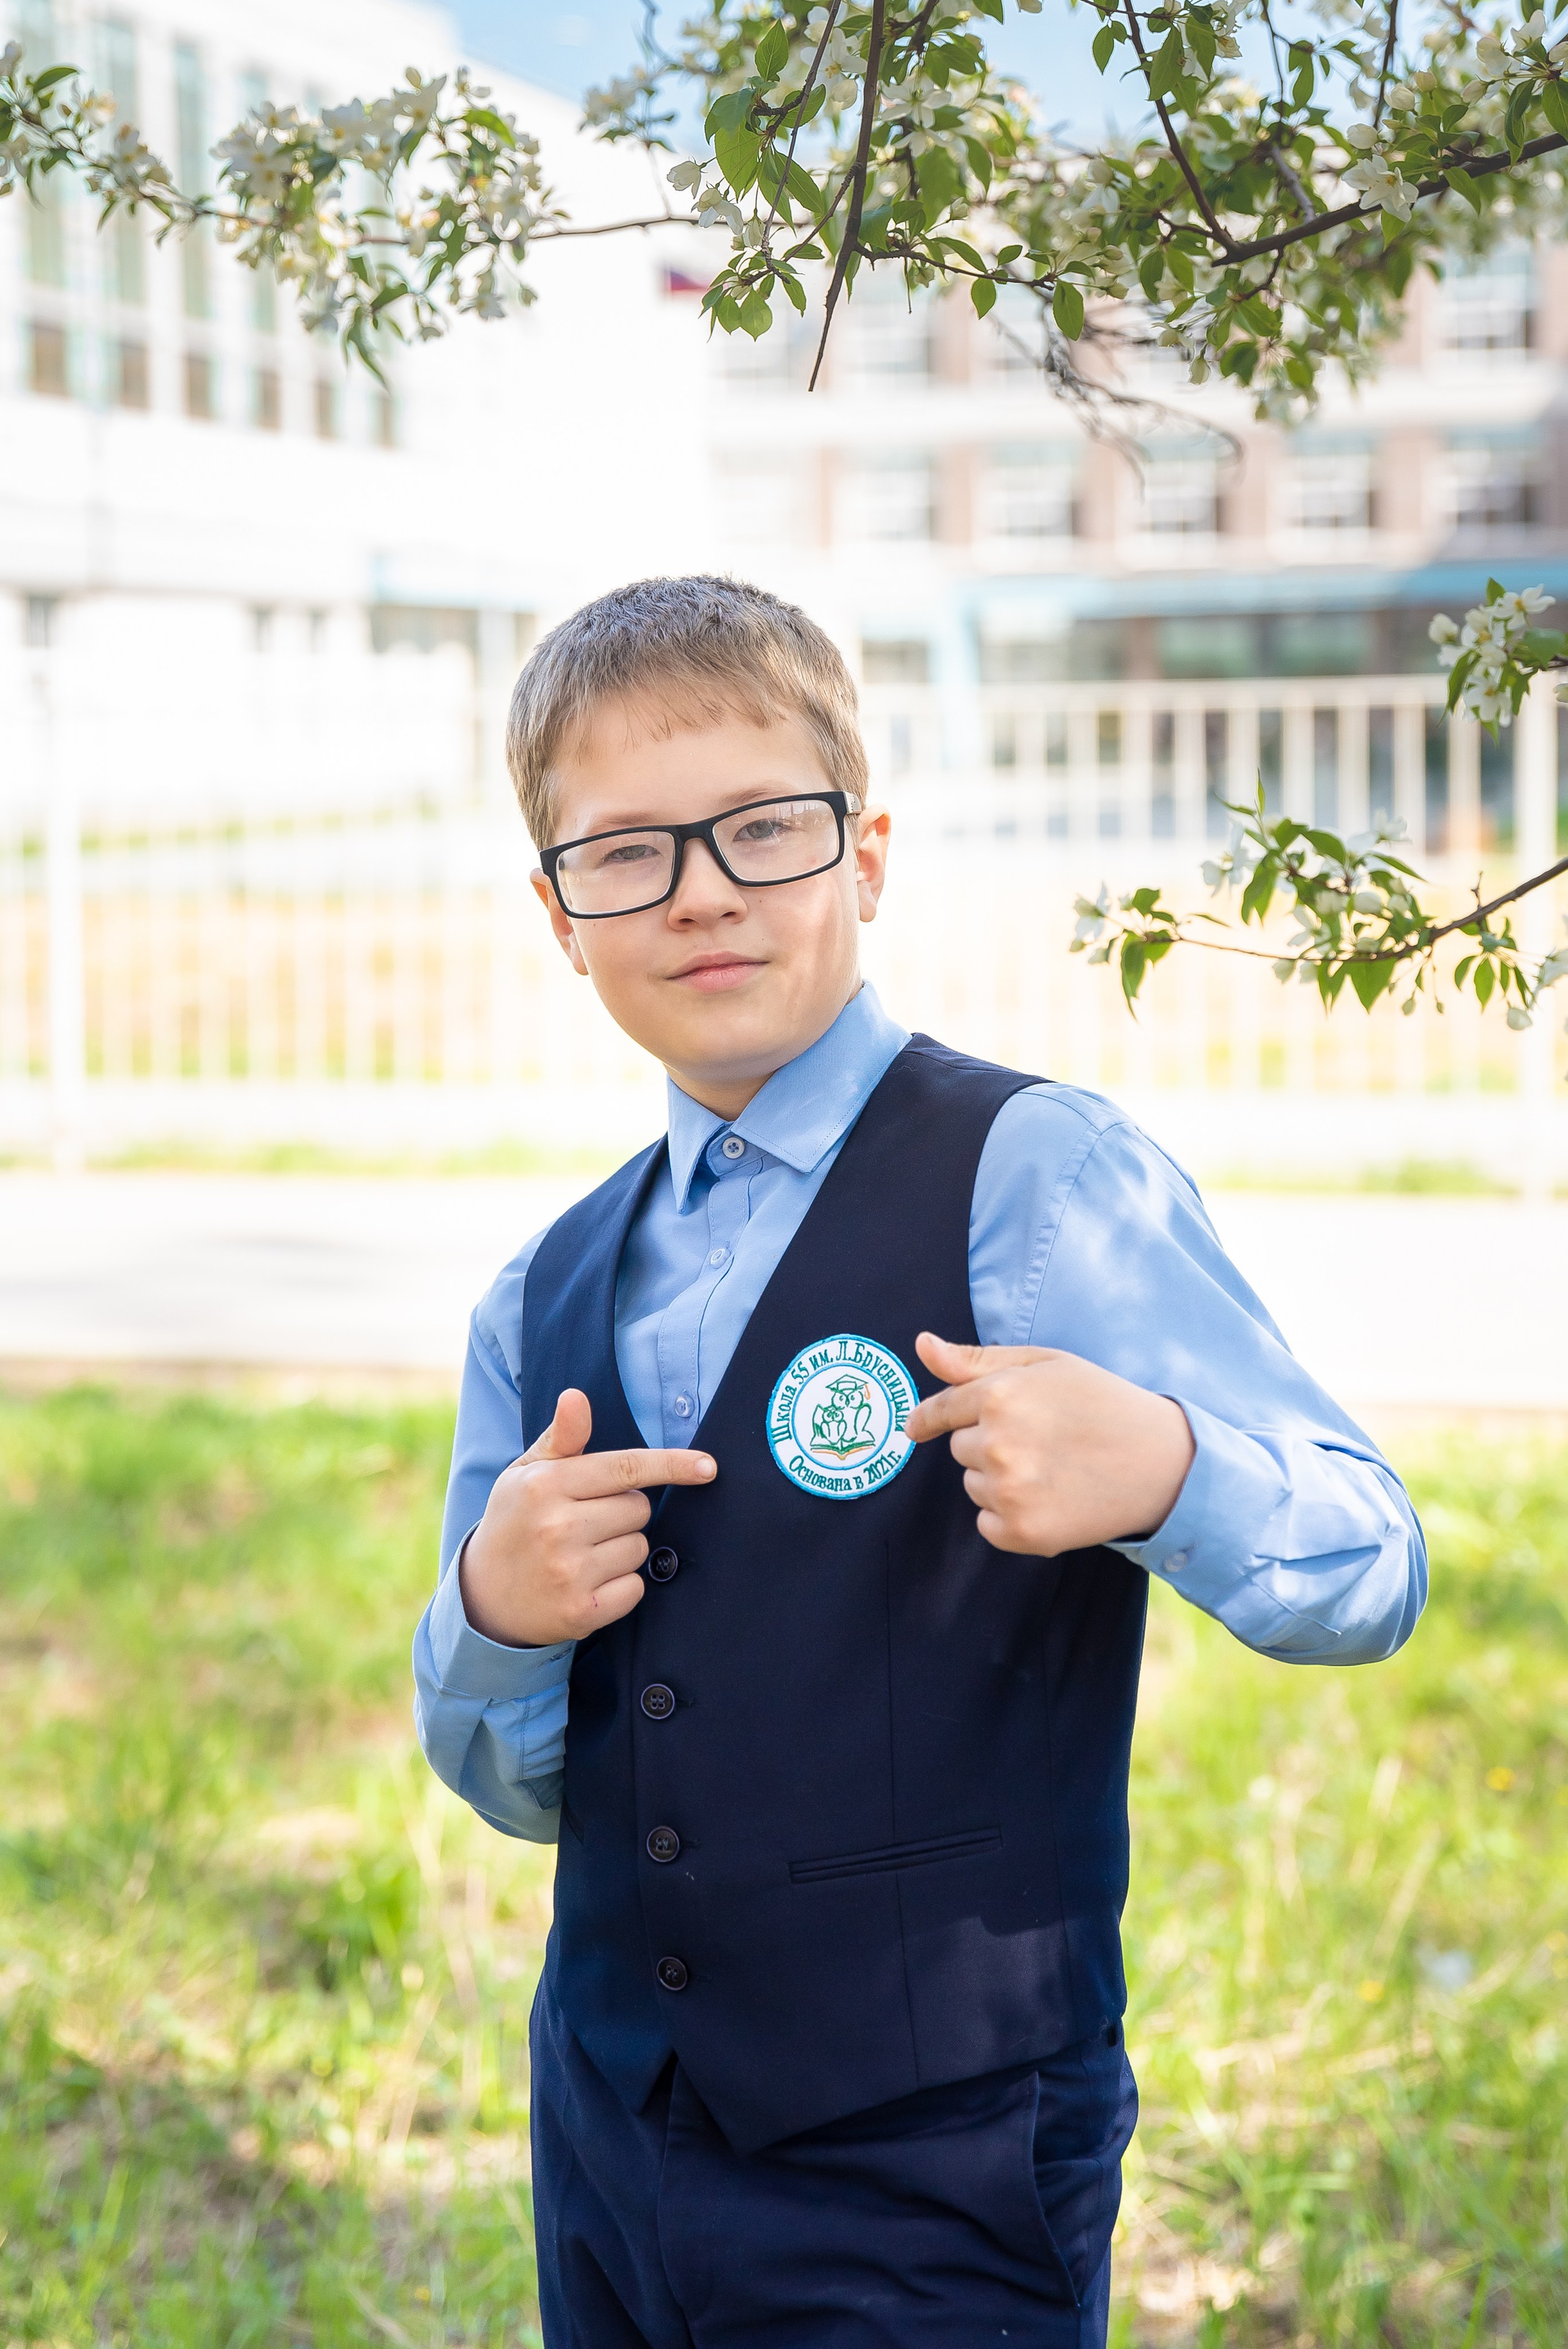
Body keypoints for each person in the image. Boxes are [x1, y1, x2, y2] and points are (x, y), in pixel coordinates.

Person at [413, 576, 1425, 2348]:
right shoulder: (542, 1293)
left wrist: (1173, 1464)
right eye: (627, 851)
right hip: (610, 2135)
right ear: (560, 915)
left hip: (939, 2159)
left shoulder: (1036, 1178)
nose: (704, 888)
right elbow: (511, 1780)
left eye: (761, 828)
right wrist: (495, 1615)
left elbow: (1372, 1558)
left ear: (866, 854)